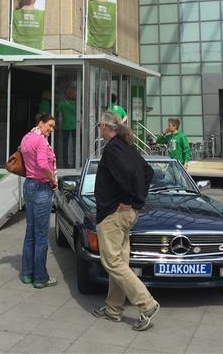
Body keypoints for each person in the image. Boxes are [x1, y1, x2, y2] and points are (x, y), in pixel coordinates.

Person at [92, 111, 160, 332]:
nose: (99, 129)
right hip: (126, 214)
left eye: (99, 125)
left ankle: (147, 304)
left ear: (104, 127)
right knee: (119, 262)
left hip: (114, 214)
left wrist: (128, 201)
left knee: (112, 262)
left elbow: (130, 176)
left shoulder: (112, 149)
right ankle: (113, 309)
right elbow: (148, 172)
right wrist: (136, 202)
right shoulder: (125, 146)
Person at [19, 113, 58, 288]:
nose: (51, 129)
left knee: (30, 232)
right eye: (49, 125)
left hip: (28, 186)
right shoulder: (41, 141)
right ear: (40, 123)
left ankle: (27, 274)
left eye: (53, 127)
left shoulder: (27, 137)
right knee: (41, 235)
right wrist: (52, 179)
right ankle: (40, 278)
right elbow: (43, 164)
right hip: (41, 187)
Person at [57, 85, 77, 168]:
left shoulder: (63, 103)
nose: (75, 94)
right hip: (72, 126)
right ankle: (73, 163)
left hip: (69, 126)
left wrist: (59, 125)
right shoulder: (75, 103)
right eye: (74, 93)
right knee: (73, 146)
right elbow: (59, 116)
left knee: (66, 146)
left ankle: (67, 164)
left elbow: (59, 116)